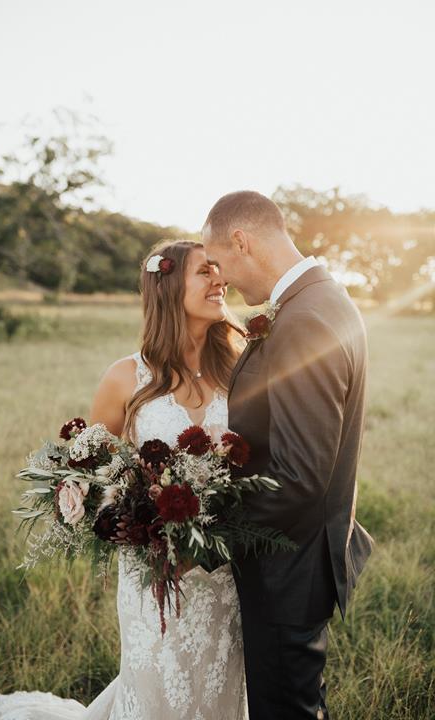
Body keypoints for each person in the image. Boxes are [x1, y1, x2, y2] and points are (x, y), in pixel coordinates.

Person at [0, 240, 248, 720]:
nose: (221, 280)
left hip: (223, 575)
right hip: (152, 575)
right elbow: (90, 475)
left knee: (219, 684)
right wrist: (135, 526)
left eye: (220, 270)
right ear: (168, 287)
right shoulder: (124, 378)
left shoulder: (239, 370)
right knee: (157, 686)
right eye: (205, 272)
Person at [202, 190, 374, 720]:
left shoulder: (304, 319)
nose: (221, 281)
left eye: (219, 263)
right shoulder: (319, 299)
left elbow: (300, 478)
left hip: (287, 568)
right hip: (293, 562)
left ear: (242, 241)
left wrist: (207, 537)